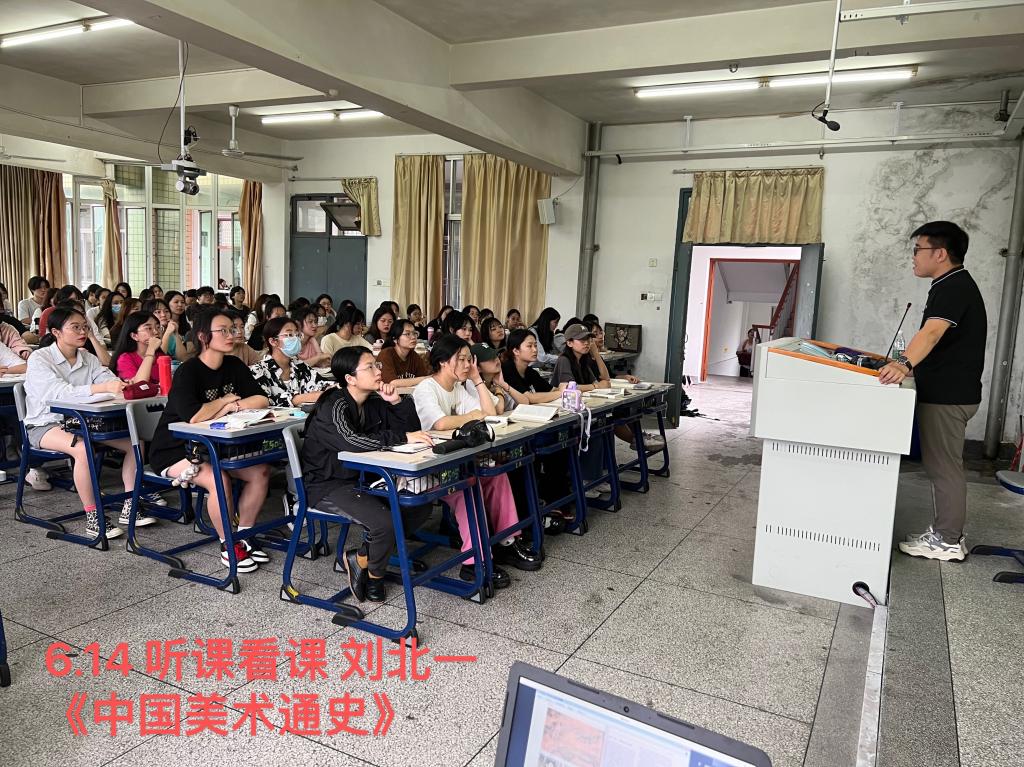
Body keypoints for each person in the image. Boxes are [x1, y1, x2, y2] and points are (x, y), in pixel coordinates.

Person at [878, 222, 987, 562]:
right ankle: (945, 533)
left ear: (940, 254)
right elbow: (939, 340)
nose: (913, 257)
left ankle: (947, 540)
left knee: (944, 468)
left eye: (918, 250)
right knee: (942, 465)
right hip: (948, 392)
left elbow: (932, 333)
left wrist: (903, 364)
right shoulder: (949, 284)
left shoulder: (954, 286)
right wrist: (908, 364)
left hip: (948, 397)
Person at [302, 347, 434, 602]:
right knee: (384, 524)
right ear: (350, 378)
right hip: (328, 484)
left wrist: (396, 402)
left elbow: (412, 431)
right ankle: (375, 577)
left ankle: (361, 557)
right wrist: (401, 437)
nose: (378, 371)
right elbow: (351, 441)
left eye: (377, 365)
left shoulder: (373, 400)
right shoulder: (334, 404)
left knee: (418, 506)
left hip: (364, 479)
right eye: (370, 367)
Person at [147, 309, 272, 572]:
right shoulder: (188, 371)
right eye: (223, 330)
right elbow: (194, 416)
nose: (231, 335)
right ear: (204, 336)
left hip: (216, 447)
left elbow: (262, 399)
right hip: (176, 450)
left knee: (260, 471)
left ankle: (244, 536)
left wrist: (232, 407)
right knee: (219, 479)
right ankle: (229, 544)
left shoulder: (234, 365)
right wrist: (224, 401)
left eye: (232, 329)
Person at [412, 335, 541, 586]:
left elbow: (489, 414)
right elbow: (440, 423)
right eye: (460, 359)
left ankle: (507, 541)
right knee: (467, 489)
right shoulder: (427, 388)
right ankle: (475, 562)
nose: (467, 364)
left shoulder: (459, 387)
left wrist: (476, 379)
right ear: (442, 362)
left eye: (468, 359)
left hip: (459, 461)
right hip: (431, 468)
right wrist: (472, 416)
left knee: (497, 477)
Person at [23, 307, 153, 538]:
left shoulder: (88, 358)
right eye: (75, 327)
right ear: (56, 332)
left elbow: (110, 381)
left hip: (86, 422)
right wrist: (101, 388)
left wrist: (119, 385)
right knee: (83, 449)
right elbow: (57, 393)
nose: (83, 332)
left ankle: (130, 504)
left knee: (136, 443)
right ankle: (93, 516)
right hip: (45, 424)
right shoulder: (40, 358)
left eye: (85, 326)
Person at [249, 316, 332, 407]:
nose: (296, 339)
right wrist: (300, 398)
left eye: (297, 334)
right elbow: (265, 401)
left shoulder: (299, 365)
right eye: (289, 335)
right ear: (273, 341)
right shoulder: (258, 370)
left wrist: (333, 387)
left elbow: (321, 383)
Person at [502, 330, 566, 405]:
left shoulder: (530, 372)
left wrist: (566, 389)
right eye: (529, 346)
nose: (535, 350)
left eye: (535, 345)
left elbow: (551, 390)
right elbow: (530, 398)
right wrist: (561, 392)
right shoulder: (507, 370)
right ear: (516, 351)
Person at [110, 311, 165, 384]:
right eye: (149, 328)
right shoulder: (125, 359)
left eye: (158, 327)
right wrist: (151, 350)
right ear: (134, 336)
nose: (156, 332)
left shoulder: (160, 355)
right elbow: (140, 384)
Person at [378, 319, 431, 390]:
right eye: (407, 334)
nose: (413, 337)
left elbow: (424, 381)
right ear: (395, 339)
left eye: (414, 333)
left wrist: (425, 379)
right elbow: (393, 383)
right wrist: (425, 378)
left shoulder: (414, 356)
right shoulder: (385, 354)